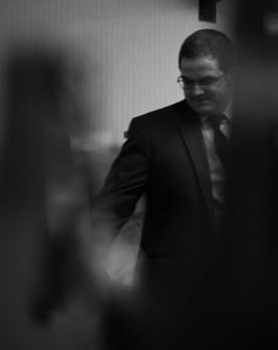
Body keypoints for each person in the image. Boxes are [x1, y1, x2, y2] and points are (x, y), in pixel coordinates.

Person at [92, 29, 235, 300]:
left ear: (232, 76)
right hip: (174, 289)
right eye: (186, 81)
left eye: (206, 80)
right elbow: (109, 209)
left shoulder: (260, 131)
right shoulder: (150, 131)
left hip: (249, 284)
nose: (195, 91)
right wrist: (99, 267)